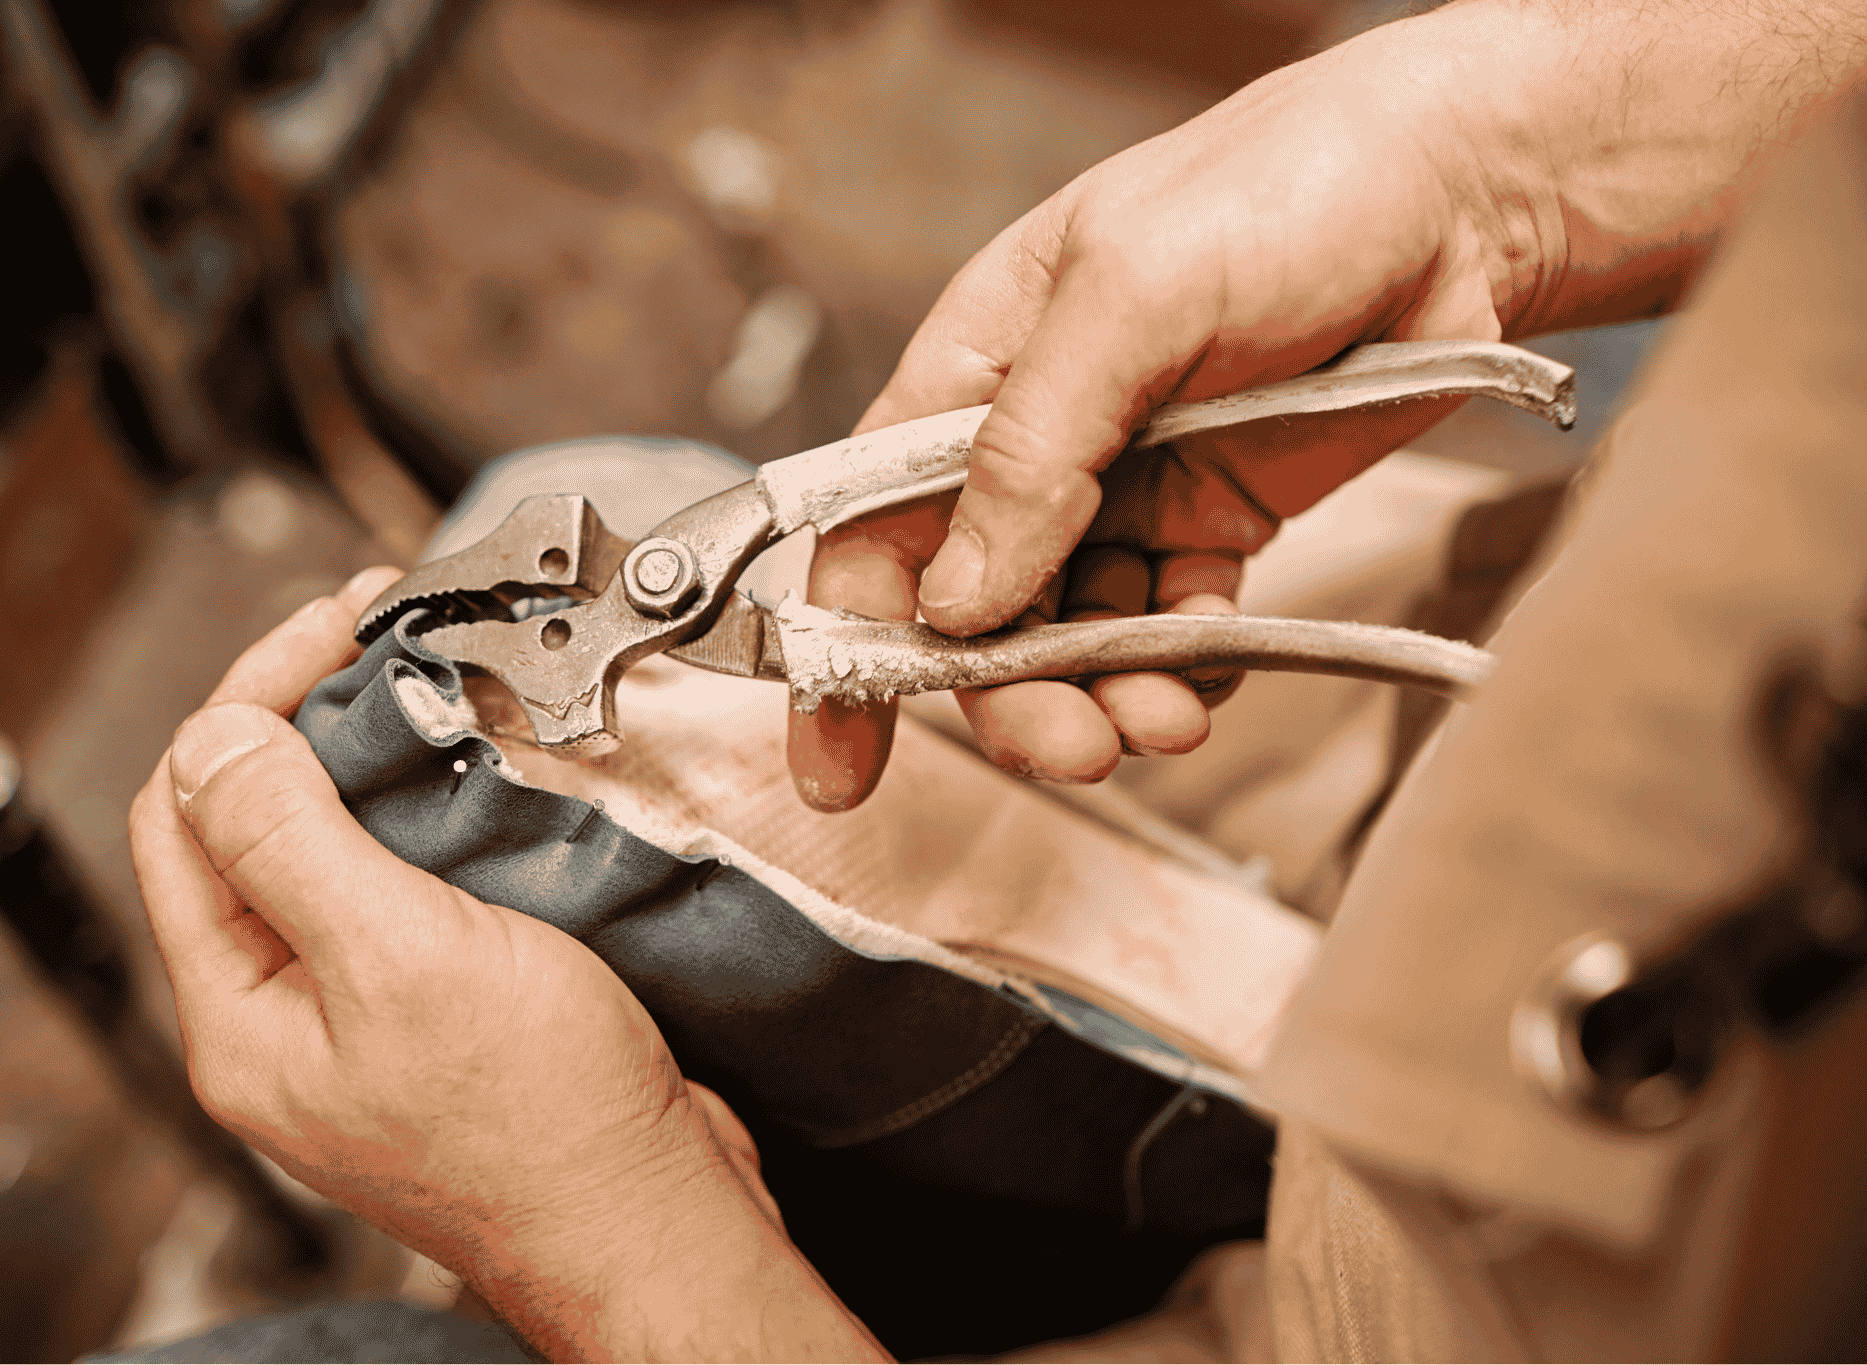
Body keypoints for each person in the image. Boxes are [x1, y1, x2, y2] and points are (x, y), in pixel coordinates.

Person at [128, 0, 1867, 1358]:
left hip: (1414, 1297)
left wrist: (616, 1246)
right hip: (1612, 659)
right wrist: (1521, 146)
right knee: (589, 509)